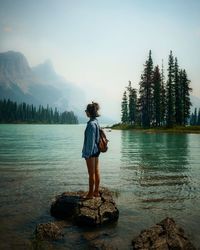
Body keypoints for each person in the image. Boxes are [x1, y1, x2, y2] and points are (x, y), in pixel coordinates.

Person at [82, 102, 101, 199]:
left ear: (89, 112)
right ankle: (96, 192)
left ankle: (90, 194)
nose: (85, 112)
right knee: (96, 171)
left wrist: (87, 154)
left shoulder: (91, 125)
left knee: (91, 173)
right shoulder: (96, 122)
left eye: (86, 111)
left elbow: (90, 141)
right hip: (97, 150)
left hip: (91, 152)